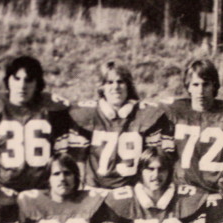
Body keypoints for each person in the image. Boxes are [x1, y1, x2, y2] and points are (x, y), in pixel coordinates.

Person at [0, 56, 71, 192]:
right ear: (8, 80)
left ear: (37, 84)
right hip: (4, 189)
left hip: (42, 190)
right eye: (16, 78)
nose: (22, 85)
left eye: (29, 80)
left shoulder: (52, 109)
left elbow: (65, 155)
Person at [67, 61, 169, 189]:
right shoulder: (89, 114)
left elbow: (153, 161)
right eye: (109, 82)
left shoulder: (145, 114)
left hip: (132, 191)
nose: (115, 87)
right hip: (94, 189)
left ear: (128, 86)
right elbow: (78, 160)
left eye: (120, 82)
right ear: (102, 87)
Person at [160, 59, 223, 194]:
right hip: (183, 190)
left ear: (214, 86)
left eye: (205, 84)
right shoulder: (174, 111)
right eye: (195, 84)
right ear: (188, 86)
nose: (200, 91)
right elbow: (166, 158)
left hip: (218, 190)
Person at [18, 154, 111, 223]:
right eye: (56, 174)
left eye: (67, 173)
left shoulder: (92, 200)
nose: (62, 178)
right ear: (48, 179)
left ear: (76, 177)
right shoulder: (30, 201)